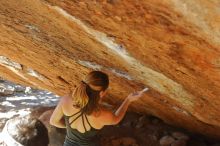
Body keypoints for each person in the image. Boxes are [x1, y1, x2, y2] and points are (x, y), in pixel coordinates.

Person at [50, 71, 145, 146]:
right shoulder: (102, 114)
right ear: (101, 93)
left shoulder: (66, 100)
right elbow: (116, 119)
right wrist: (128, 100)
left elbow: (53, 121)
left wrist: (69, 127)